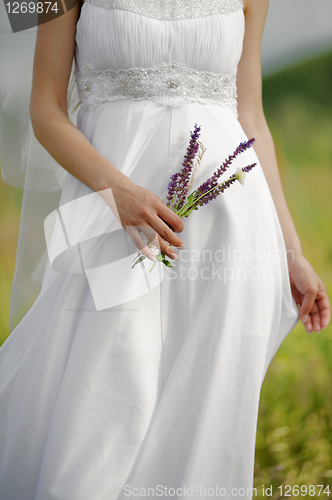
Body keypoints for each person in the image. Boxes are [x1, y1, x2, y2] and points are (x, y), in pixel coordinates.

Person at [0, 0, 330, 498]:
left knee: (200, 423)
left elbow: (252, 119)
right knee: (96, 407)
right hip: (113, 227)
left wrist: (291, 251)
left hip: (230, 235)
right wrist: (119, 194)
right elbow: (45, 111)